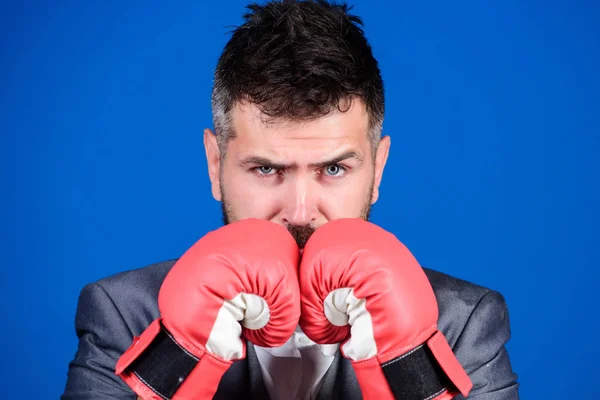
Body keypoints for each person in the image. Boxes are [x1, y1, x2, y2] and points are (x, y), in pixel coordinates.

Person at [61, 1, 519, 399]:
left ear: (377, 171)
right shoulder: (126, 315)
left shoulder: (460, 325)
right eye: (266, 169)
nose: (300, 212)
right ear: (215, 165)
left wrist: (408, 369)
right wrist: (176, 358)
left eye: (334, 169)